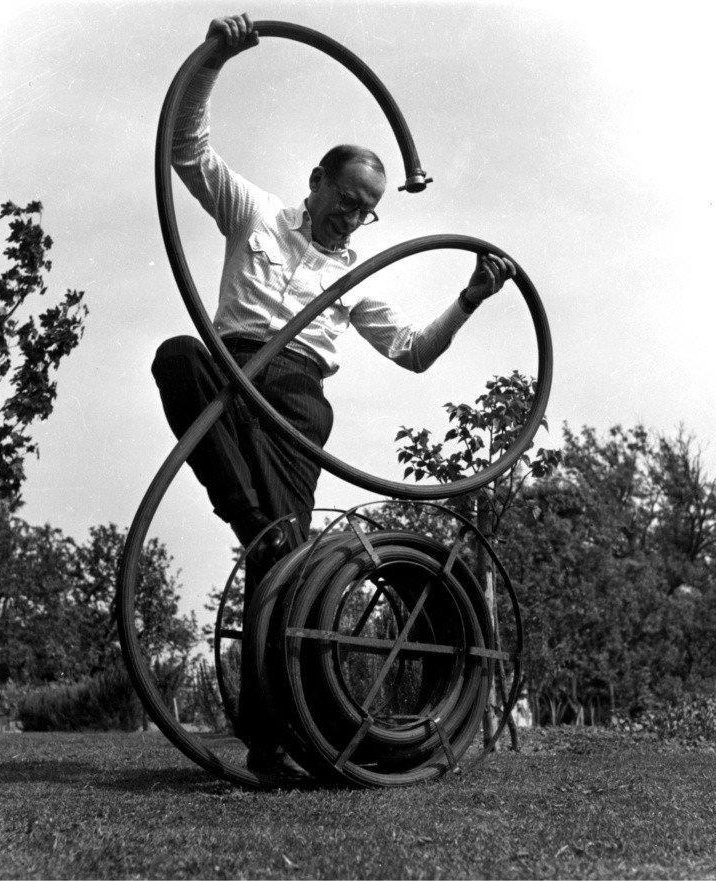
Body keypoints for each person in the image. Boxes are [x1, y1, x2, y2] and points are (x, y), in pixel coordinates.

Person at [151, 13, 516, 774]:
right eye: (346, 196)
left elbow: (412, 352)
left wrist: (471, 298)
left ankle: (272, 743)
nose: (353, 215)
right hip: (231, 368)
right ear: (316, 181)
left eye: (367, 208)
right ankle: (258, 518)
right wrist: (217, 57)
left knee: (275, 566)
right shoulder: (254, 212)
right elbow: (187, 150)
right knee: (176, 356)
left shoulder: (356, 273)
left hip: (297, 405)